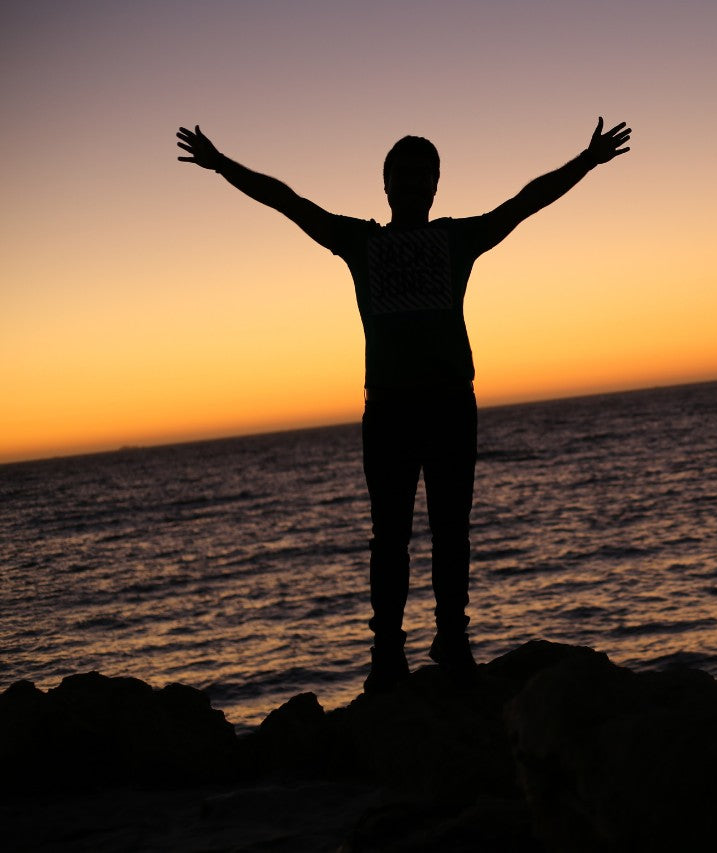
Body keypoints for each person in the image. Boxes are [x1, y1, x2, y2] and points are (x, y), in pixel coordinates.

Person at [176, 118, 632, 691]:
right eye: (405, 176)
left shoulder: (455, 239)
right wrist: (221, 165)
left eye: (425, 176)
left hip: (449, 405)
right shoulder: (361, 243)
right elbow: (287, 201)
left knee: (451, 530)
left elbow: (524, 202)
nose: (416, 185)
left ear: (436, 185)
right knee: (389, 535)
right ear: (385, 184)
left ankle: (451, 640)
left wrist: (586, 161)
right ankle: (387, 653)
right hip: (389, 410)